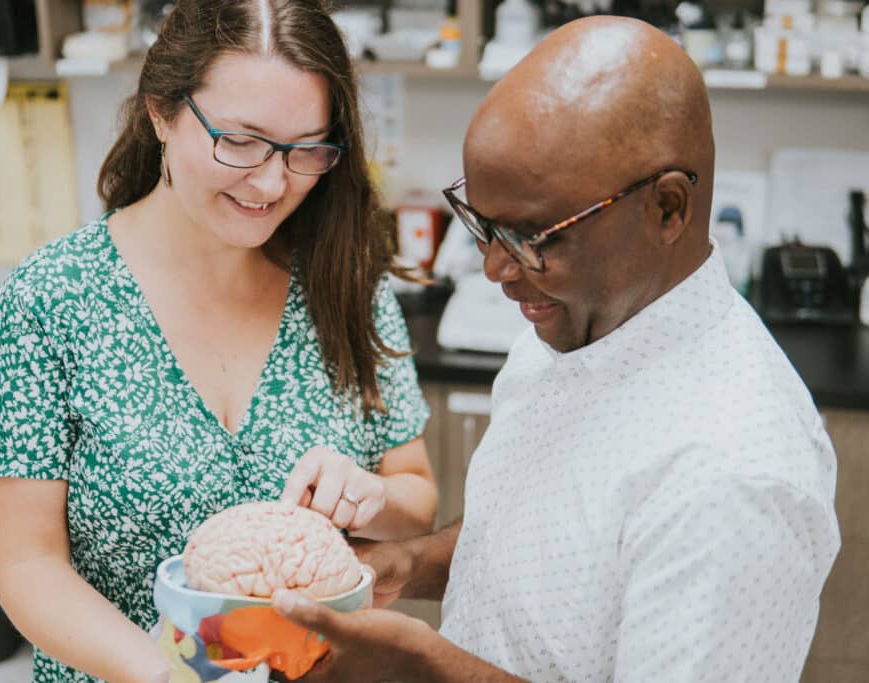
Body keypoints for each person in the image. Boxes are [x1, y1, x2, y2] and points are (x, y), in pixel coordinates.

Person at [272, 15, 841, 683]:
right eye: (484, 225)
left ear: (667, 208)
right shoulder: (573, 322)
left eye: (533, 235)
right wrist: (409, 561)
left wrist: (420, 667)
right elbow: (551, 542)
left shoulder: (733, 476)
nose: (494, 268)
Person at [0, 2, 438, 682]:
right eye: (240, 141)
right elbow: (26, 564)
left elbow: (414, 489)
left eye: (307, 148)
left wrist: (370, 498)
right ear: (161, 108)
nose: (273, 183)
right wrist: (168, 675)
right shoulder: (47, 302)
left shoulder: (347, 285)